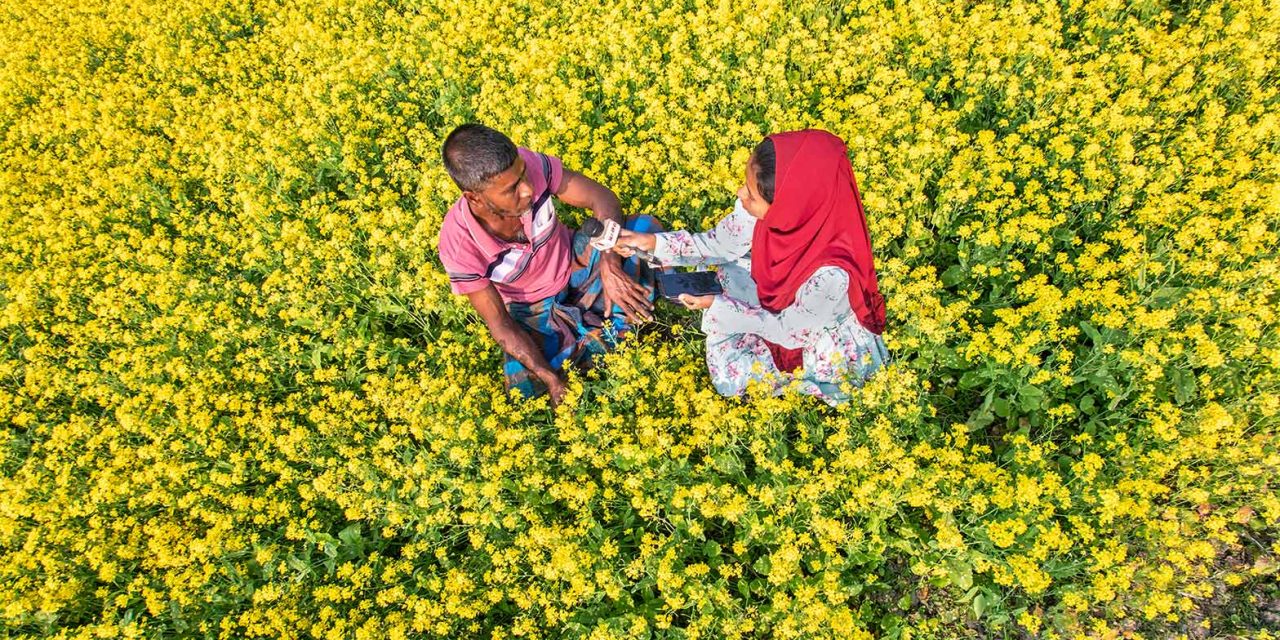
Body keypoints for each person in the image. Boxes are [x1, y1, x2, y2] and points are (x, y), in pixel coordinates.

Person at [614, 129, 889, 405]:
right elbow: (720, 244)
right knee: (731, 272)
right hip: (783, 305)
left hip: (811, 336)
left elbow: (790, 333)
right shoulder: (768, 209)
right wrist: (651, 242)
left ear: (787, 207)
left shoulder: (831, 274)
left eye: (751, 195)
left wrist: (717, 307)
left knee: (734, 370)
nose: (740, 193)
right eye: (744, 184)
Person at [437, 124, 662, 405]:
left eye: (523, 175)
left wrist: (609, 263)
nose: (528, 189)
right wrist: (550, 378)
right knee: (524, 385)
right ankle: (619, 326)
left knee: (643, 230)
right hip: (534, 309)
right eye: (511, 189)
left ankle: (605, 334)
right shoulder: (460, 246)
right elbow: (500, 324)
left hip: (575, 263)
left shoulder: (528, 164)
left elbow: (601, 197)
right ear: (474, 197)